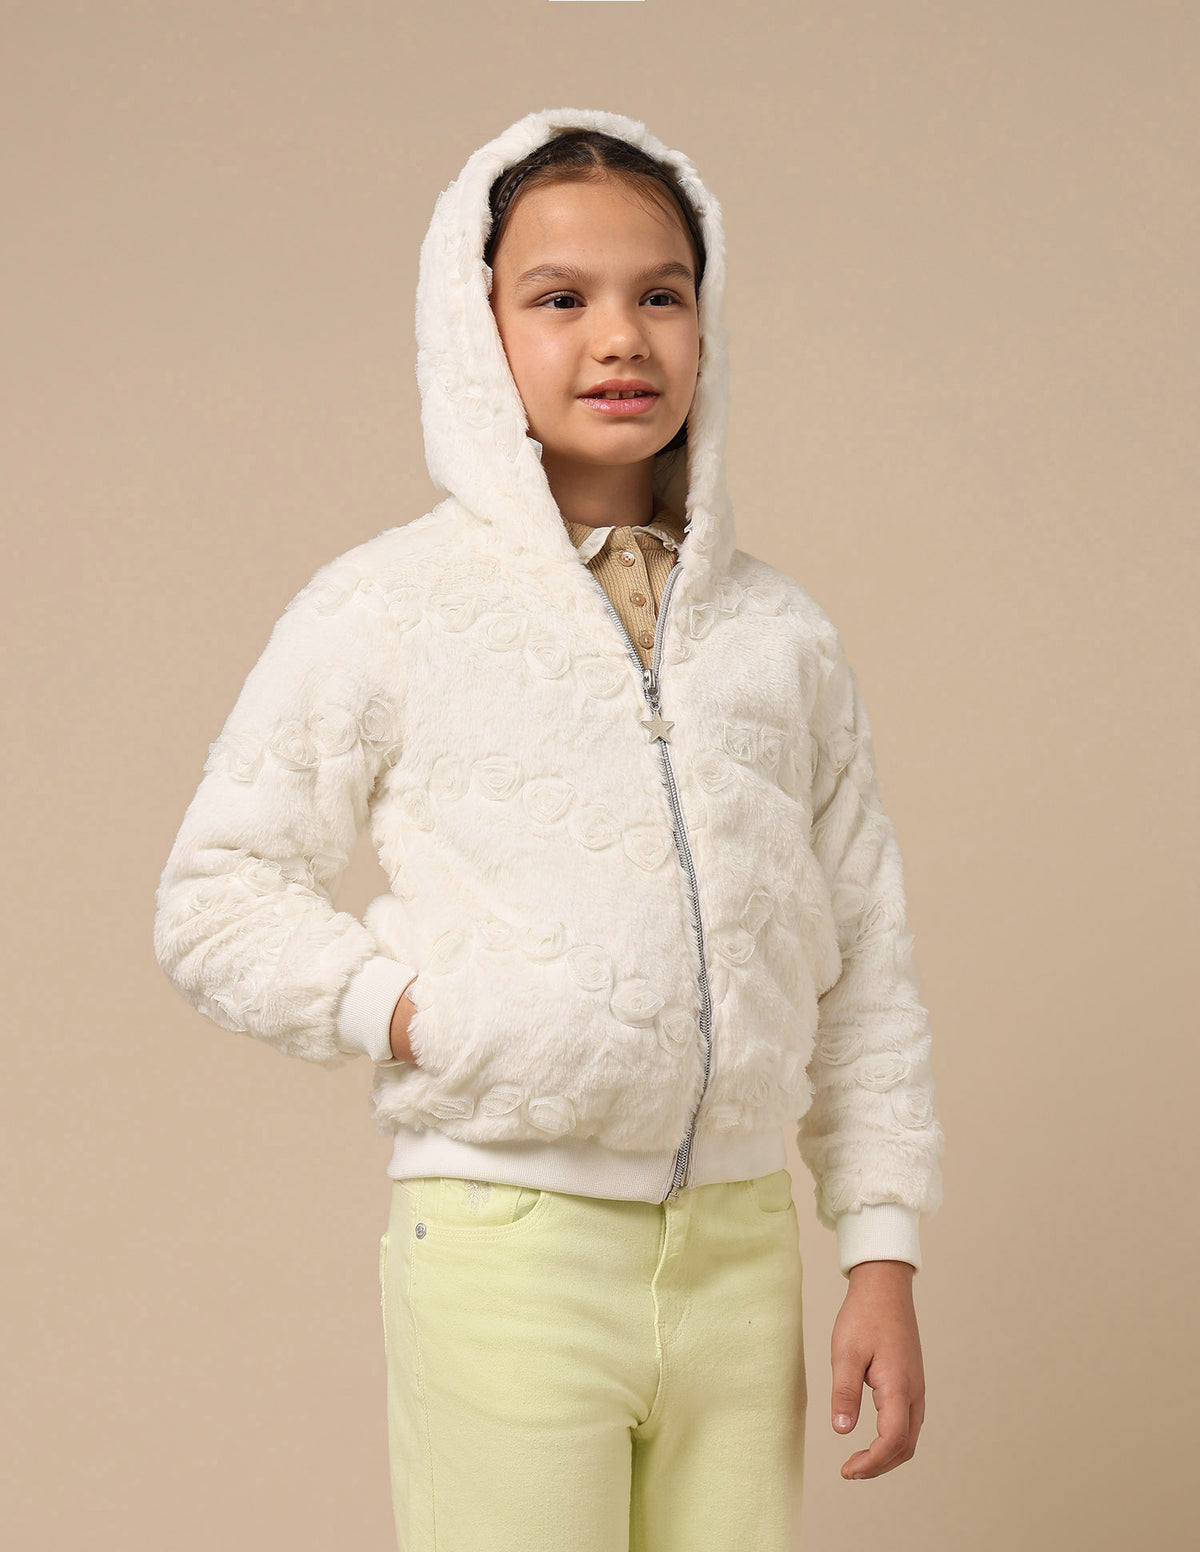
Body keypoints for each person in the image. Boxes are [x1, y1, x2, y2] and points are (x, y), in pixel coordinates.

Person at [153, 107, 946, 1551]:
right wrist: (420, 1014)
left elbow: (866, 961)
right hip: (506, 1250)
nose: (621, 338)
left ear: (707, 324)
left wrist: (878, 1254)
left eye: (662, 295)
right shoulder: (387, 607)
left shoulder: (782, 636)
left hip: (743, 1256)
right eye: (561, 298)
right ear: (478, 332)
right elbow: (216, 899)